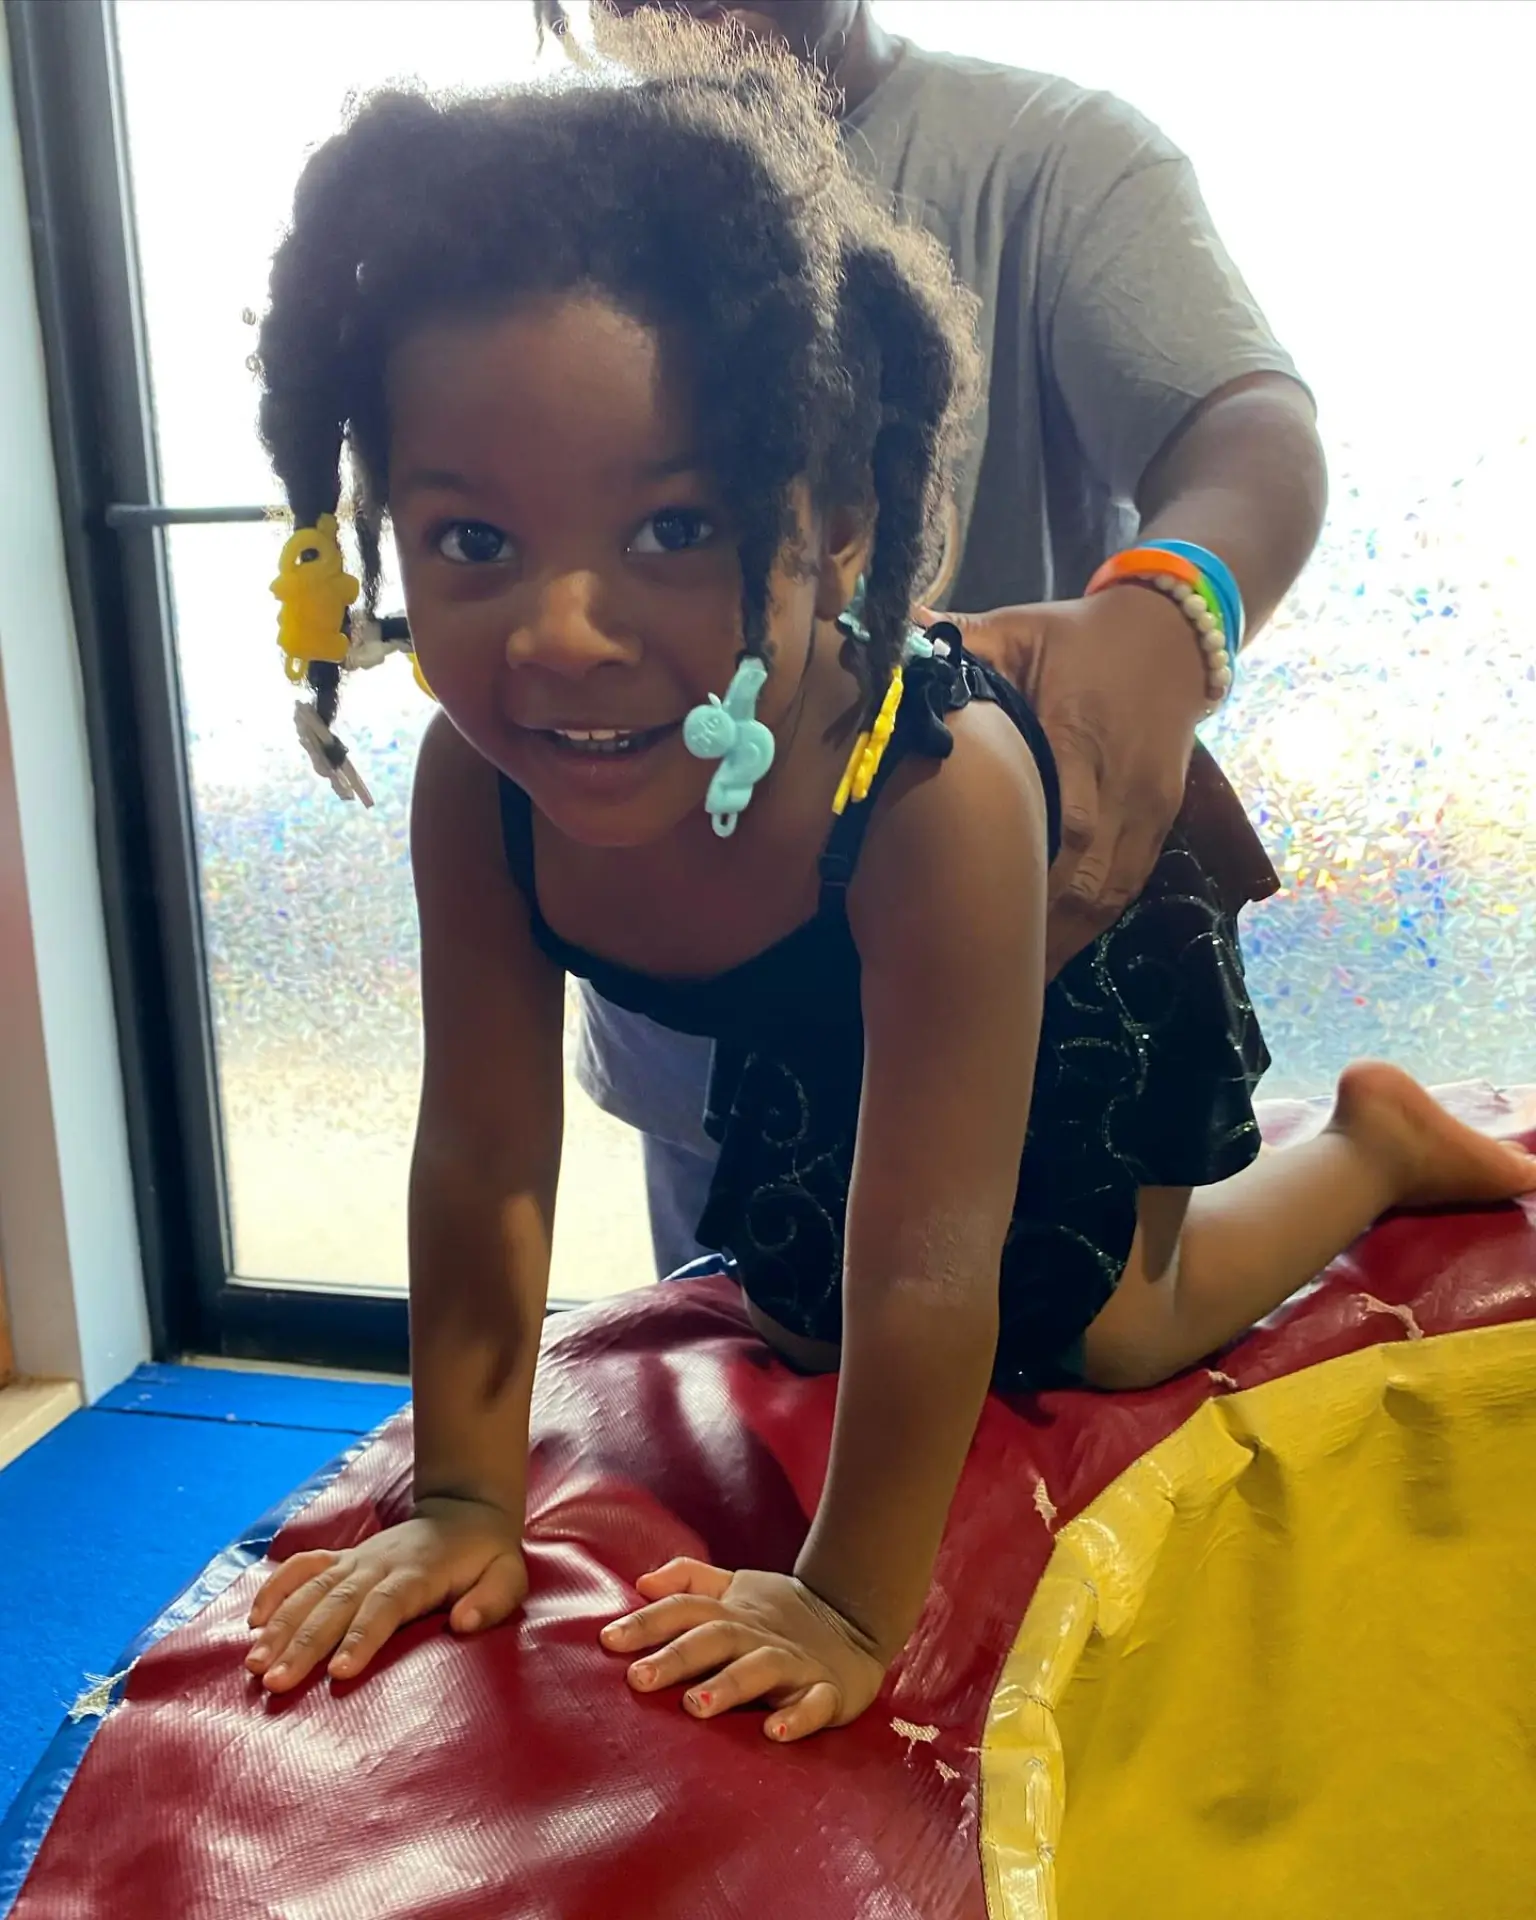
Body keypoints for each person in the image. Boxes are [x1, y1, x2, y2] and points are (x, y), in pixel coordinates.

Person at [241, 20, 1536, 1742]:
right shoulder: (476, 792)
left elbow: (930, 1250)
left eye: (672, 530)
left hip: (1070, 935)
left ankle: (1367, 1140)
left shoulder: (930, 791)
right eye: (472, 542)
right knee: (789, 1288)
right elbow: (481, 1152)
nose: (558, 632)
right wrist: (466, 1501)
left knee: (1098, 1327)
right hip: (821, 997)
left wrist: (851, 1603)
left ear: (836, 523)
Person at [536, 0, 1332, 1279]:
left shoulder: (1049, 154)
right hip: (696, 1034)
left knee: (1083, 1322)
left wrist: (1161, 613)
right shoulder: (552, 203)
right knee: (756, 1328)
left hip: (1013, 973)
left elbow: (1246, 427)